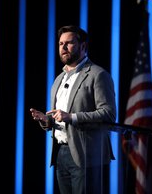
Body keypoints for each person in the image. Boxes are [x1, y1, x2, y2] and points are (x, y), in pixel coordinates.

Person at [30, 25, 116, 194]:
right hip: (60, 152)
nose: (63, 47)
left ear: (83, 46)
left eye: (69, 43)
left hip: (86, 154)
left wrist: (72, 117)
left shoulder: (97, 75)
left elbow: (108, 113)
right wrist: (47, 121)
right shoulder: (59, 79)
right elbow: (60, 118)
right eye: (61, 43)